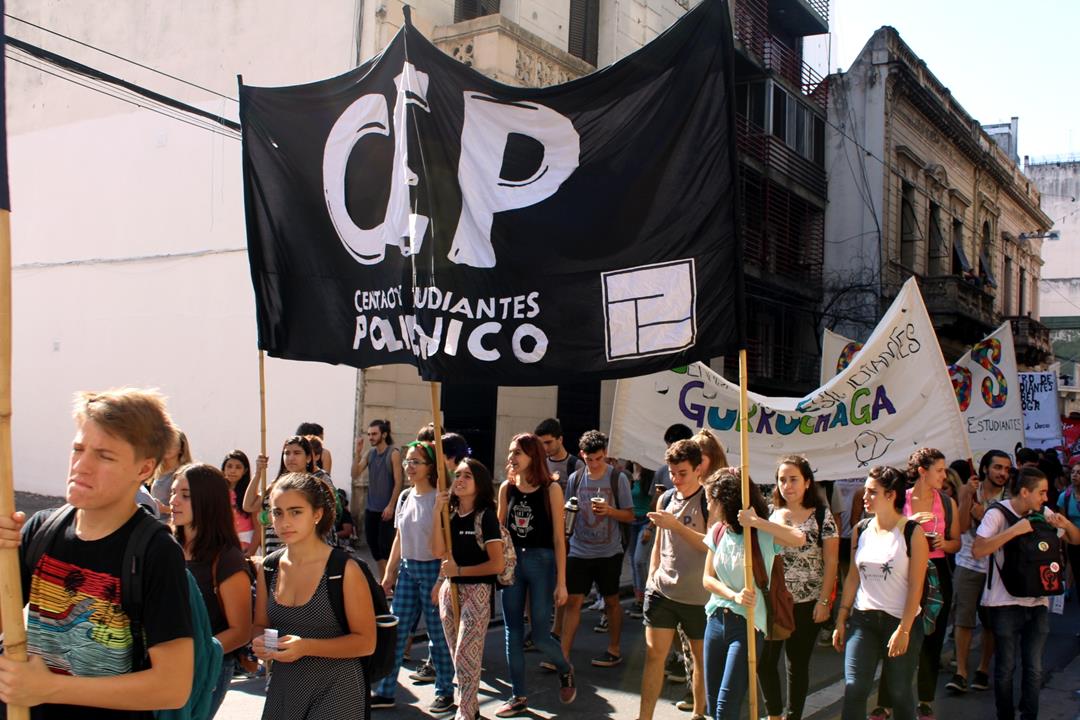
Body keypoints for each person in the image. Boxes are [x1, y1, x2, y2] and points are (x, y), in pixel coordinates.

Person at [0, 388, 194, 717]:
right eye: (78, 449)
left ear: (144, 469)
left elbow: (172, 686)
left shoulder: (156, 552)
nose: (82, 465)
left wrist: (49, 688)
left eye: (104, 456)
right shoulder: (41, 529)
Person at [252, 472, 376, 719]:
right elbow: (260, 625)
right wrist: (261, 643)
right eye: (278, 513)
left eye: (296, 512)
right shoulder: (269, 567)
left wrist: (306, 647)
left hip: (338, 691)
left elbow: (366, 642)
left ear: (317, 515)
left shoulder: (343, 569)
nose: (285, 522)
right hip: (285, 688)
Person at [972, 466, 1080, 720]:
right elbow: (978, 550)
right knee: (1006, 667)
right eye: (1041, 492)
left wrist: (1065, 524)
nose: (1046, 497)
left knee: (1034, 668)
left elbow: (1075, 540)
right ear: (1024, 492)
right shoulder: (997, 514)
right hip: (1003, 602)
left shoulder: (1044, 513)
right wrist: (1013, 531)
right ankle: (1005, 715)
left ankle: (1029, 715)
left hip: (1038, 601)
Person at [702, 468, 805, 720]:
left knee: (726, 707)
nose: (707, 505)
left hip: (747, 626)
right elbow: (707, 579)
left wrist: (756, 522)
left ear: (725, 501)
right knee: (713, 705)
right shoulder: (717, 531)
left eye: (710, 500)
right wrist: (733, 595)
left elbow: (798, 538)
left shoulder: (762, 534)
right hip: (715, 621)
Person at [833, 466, 927, 720]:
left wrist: (904, 629)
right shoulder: (860, 529)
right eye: (865, 490)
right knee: (854, 688)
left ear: (891, 495)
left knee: (899, 693)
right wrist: (841, 617)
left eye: (872, 492)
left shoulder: (912, 532)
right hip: (863, 620)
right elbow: (853, 577)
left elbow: (916, 586)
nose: (864, 496)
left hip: (900, 621)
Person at [493, 434, 575, 717]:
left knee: (540, 635)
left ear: (533, 456)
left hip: (542, 561)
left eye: (518, 452)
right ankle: (518, 696)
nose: (511, 457)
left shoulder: (551, 489)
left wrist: (562, 582)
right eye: (511, 452)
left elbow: (559, 539)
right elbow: (499, 531)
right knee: (513, 633)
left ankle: (564, 667)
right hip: (512, 563)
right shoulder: (506, 488)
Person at [371, 442, 456, 715]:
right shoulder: (405, 496)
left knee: (437, 637)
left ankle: (445, 692)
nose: (409, 466)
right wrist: (389, 572)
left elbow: (447, 546)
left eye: (416, 462)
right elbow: (400, 536)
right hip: (408, 570)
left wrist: (441, 580)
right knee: (396, 634)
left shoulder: (440, 499)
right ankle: (385, 691)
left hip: (433, 570)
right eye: (408, 461)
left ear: (431, 467)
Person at [876, 448, 958, 720]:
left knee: (932, 637)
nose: (944, 476)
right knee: (896, 633)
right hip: (903, 571)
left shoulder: (947, 502)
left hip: (936, 573)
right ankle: (884, 702)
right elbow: (883, 530)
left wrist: (944, 543)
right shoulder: (900, 499)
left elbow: (957, 542)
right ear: (923, 471)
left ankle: (925, 700)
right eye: (939, 470)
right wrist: (910, 523)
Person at [169, 463, 253, 718]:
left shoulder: (227, 558)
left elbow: (241, 631)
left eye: (185, 495)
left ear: (208, 501)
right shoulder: (166, 547)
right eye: (173, 492)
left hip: (207, 668)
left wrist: (199, 652)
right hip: (164, 666)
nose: (173, 501)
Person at [759, 456, 839, 720]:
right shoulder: (769, 513)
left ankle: (793, 716)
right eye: (782, 480)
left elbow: (831, 561)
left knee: (797, 664)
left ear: (807, 482)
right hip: (773, 601)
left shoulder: (822, 515)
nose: (787, 485)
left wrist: (824, 602)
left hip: (807, 602)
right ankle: (774, 715)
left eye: (793, 479)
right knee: (764, 663)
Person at [637, 440, 710, 720]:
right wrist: (651, 577)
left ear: (698, 469)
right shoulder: (665, 498)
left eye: (682, 473)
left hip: (698, 596)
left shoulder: (708, 500)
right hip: (662, 591)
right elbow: (659, 542)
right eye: (672, 473)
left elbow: (712, 544)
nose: (676, 479)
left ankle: (699, 713)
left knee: (699, 658)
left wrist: (677, 526)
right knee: (654, 656)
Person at [431, 458, 506, 720]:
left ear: (479, 484)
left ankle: (464, 713)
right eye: (458, 475)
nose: (460, 480)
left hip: (477, 591)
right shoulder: (450, 514)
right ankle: (470, 709)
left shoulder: (486, 517)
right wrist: (436, 511)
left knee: (466, 655)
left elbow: (497, 564)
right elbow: (437, 551)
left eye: (467, 476)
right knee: (459, 657)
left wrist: (460, 571)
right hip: (450, 590)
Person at [561, 430, 634, 668]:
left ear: (605, 454)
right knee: (573, 601)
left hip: (609, 551)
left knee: (611, 600)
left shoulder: (617, 478)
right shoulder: (576, 478)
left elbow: (630, 516)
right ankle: (563, 655)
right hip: (579, 549)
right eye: (589, 459)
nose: (593, 464)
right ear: (582, 455)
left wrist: (610, 511)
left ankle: (614, 648)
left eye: (598, 459)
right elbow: (569, 510)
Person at [946, 449, 1011, 694]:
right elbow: (962, 528)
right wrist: (965, 499)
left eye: (1006, 469)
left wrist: (984, 517)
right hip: (968, 564)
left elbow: (1009, 535)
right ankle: (961, 672)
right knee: (963, 619)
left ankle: (983, 669)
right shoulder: (969, 490)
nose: (1002, 473)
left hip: (996, 568)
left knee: (990, 622)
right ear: (984, 469)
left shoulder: (1010, 497)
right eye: (997, 467)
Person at [244, 436, 318, 556]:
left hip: (300, 553)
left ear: (308, 457)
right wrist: (258, 473)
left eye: (297, 453)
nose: (291, 458)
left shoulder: (312, 485)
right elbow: (249, 505)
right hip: (273, 553)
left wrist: (267, 517)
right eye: (287, 453)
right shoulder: (277, 484)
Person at [351, 419, 402, 576]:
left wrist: (391, 506)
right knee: (374, 548)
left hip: (387, 510)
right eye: (369, 434)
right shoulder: (370, 453)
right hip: (371, 508)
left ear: (384, 434)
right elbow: (355, 474)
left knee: (386, 548)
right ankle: (385, 581)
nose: (370, 437)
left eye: (374, 434)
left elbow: (399, 482)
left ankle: (391, 581)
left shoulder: (393, 453)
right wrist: (357, 452)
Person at [628, 462, 656, 619]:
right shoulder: (627, 473)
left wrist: (650, 527)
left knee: (639, 560)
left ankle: (646, 598)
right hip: (631, 522)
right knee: (633, 561)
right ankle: (638, 599)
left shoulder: (650, 474)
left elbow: (656, 503)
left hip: (645, 522)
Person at [222, 450, 258, 556]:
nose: (233, 471)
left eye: (238, 467)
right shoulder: (218, 493)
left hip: (247, 546)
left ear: (245, 471)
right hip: (224, 546)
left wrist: (251, 552)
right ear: (223, 469)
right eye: (229, 466)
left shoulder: (250, 494)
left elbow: (258, 528)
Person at [149, 429, 191, 516]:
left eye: (173, 443)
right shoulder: (157, 471)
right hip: (155, 520)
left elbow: (191, 507)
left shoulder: (184, 474)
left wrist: (164, 509)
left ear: (181, 449)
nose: (168, 446)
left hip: (172, 522)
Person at [535, 418, 581, 489]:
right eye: (541, 443)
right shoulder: (541, 464)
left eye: (548, 442)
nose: (545, 448)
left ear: (560, 439)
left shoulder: (576, 465)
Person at [1061, 462, 1080, 608]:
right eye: (1073, 472)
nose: (1075, 475)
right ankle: (1068, 588)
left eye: (1079, 473)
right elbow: (1062, 522)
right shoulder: (1065, 496)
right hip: (1074, 541)